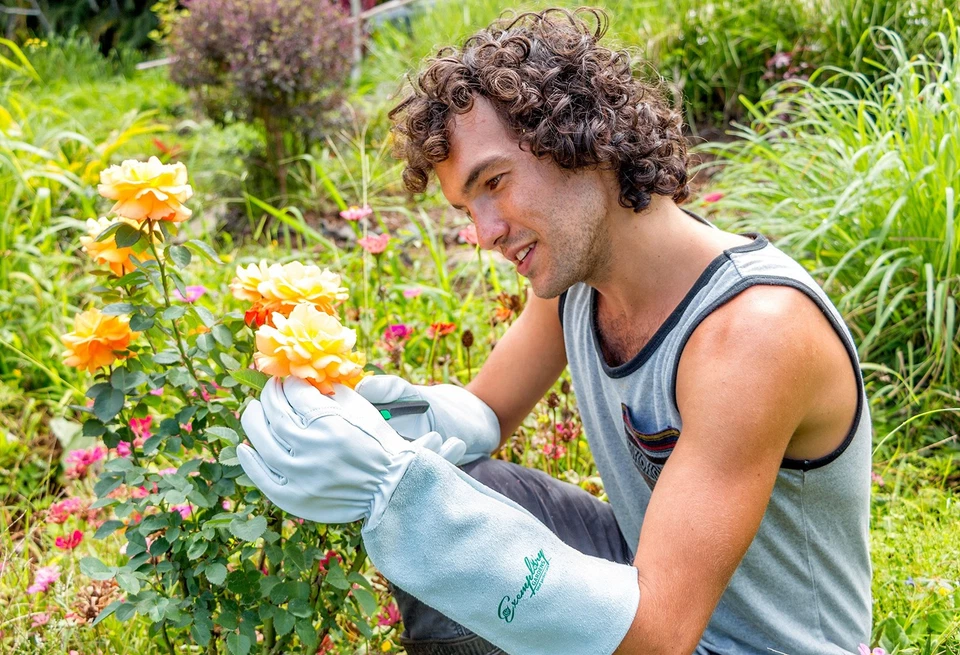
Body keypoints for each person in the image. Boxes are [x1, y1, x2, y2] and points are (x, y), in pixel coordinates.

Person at [237, 7, 872, 655]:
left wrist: (402, 494)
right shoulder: (577, 285)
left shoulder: (750, 332)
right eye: (466, 208)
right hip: (654, 581)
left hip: (733, 640)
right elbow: (484, 414)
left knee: (432, 511)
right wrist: (391, 419)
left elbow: (660, 635)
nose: (483, 233)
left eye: (495, 182)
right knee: (463, 484)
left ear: (584, 140)